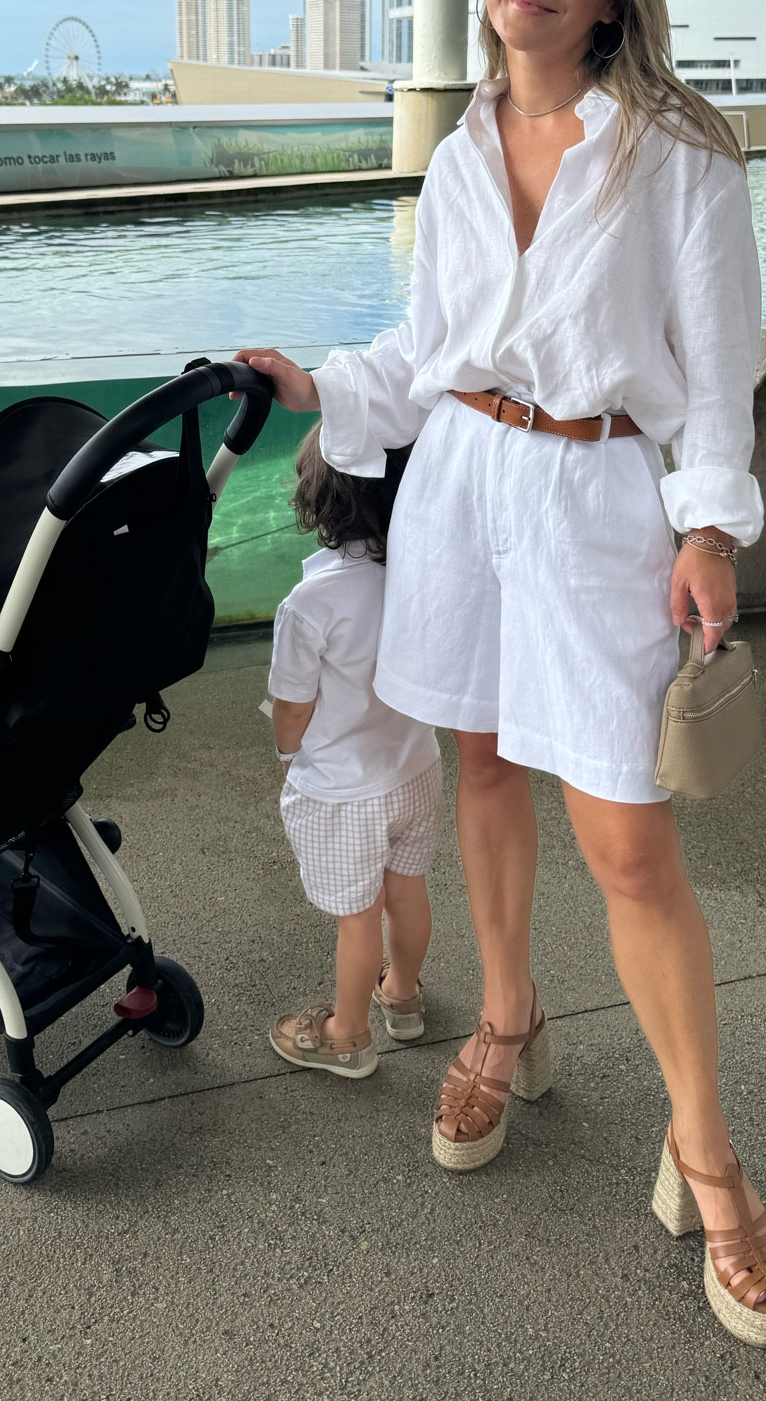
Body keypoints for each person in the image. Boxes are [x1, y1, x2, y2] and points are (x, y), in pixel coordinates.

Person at [237, 0, 766, 1347]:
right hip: (466, 490)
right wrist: (319, 386)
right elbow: (427, 356)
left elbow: (719, 368)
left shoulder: (679, 150)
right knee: (478, 763)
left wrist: (710, 531)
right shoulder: (461, 146)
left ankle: (709, 1158)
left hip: (601, 496)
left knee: (625, 840)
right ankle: (505, 1016)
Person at [266, 431, 441, 1082]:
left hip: (344, 790)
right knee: (408, 890)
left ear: (316, 499)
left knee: (358, 917)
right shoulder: (421, 578)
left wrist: (289, 753)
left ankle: (347, 1034)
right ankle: (402, 995)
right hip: (416, 766)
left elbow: (291, 705)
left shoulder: (310, 603)